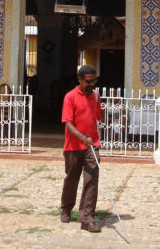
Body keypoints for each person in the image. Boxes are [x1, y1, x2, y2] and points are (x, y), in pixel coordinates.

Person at [60, 64, 102, 233]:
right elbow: (68, 123)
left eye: (94, 81)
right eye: (88, 81)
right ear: (79, 79)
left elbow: (97, 117)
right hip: (74, 146)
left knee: (91, 179)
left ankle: (87, 217)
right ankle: (66, 207)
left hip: (92, 145)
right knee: (72, 179)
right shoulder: (70, 97)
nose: (91, 85)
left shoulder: (97, 96)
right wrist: (82, 137)